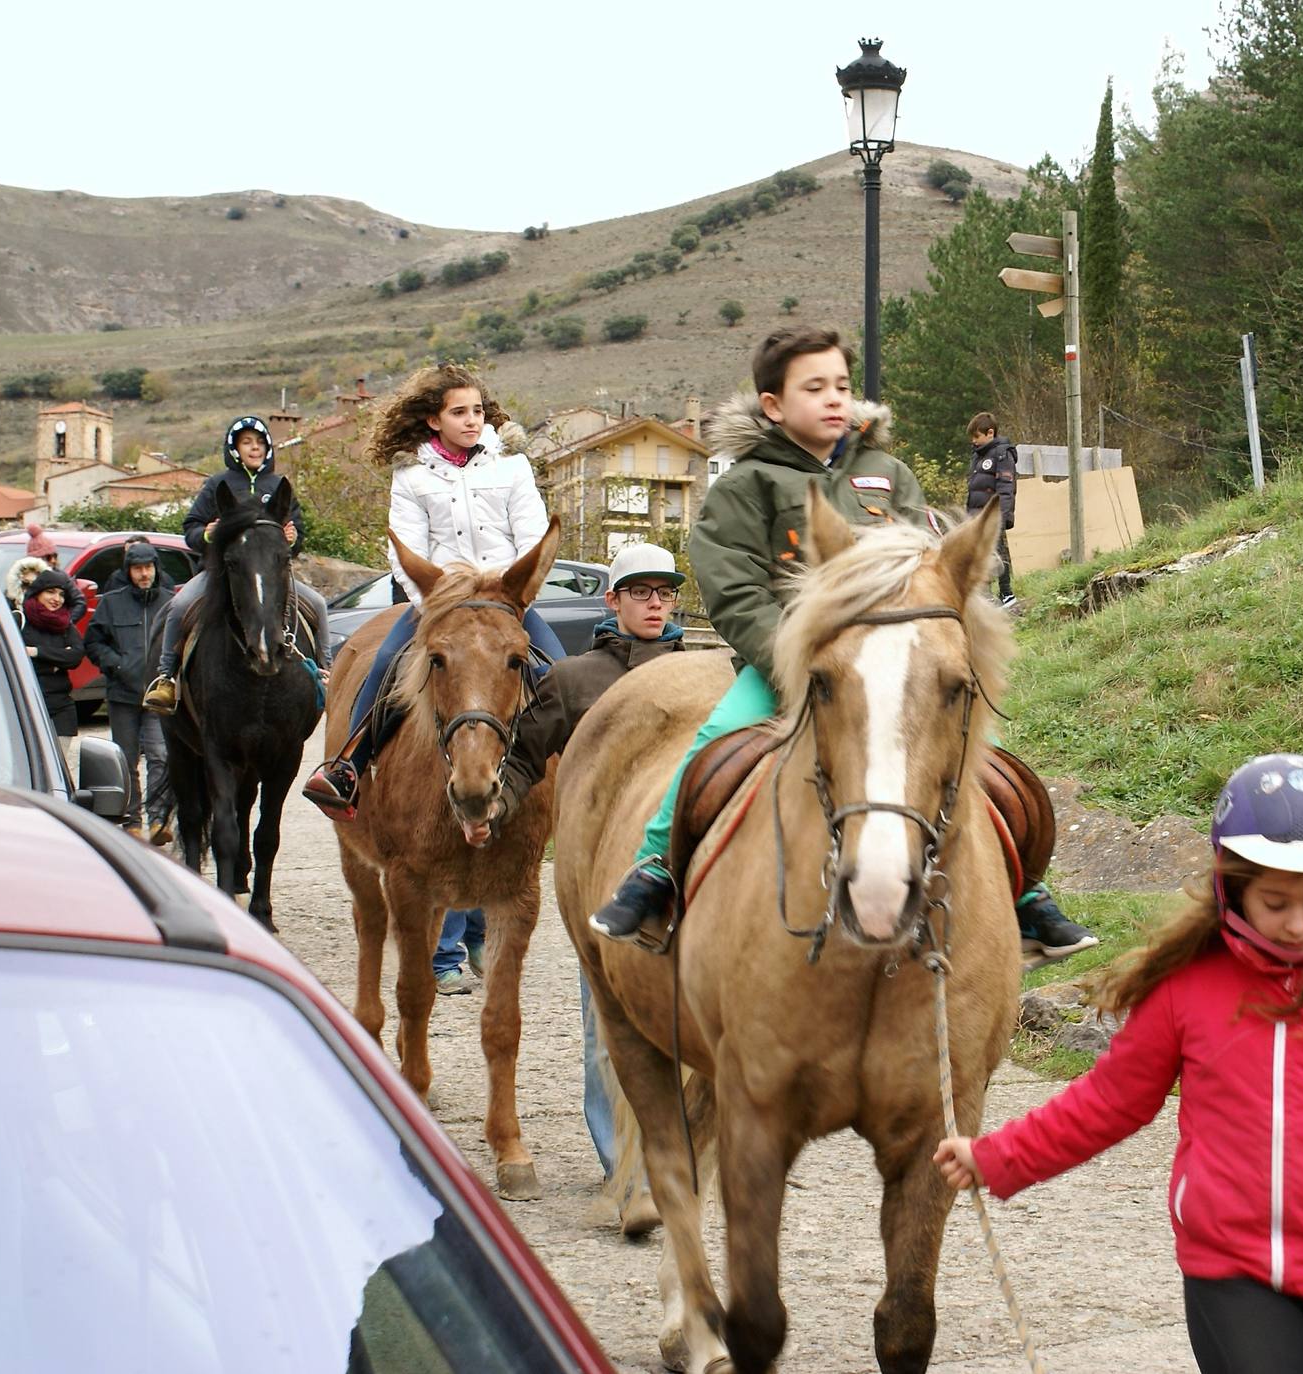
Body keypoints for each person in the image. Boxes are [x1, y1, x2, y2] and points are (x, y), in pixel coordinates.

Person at [934, 755, 1303, 1374]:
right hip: (1229, 1271)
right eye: (1275, 902)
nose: (1299, 925)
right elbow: (1108, 1102)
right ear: (1233, 889)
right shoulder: (1186, 991)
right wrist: (999, 1158)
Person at [586, 326, 1098, 965]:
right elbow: (734, 588)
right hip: (787, 667)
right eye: (814, 388)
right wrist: (799, 661)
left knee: (974, 754)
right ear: (773, 405)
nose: (835, 399)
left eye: (842, 386)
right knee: (711, 746)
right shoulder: (748, 484)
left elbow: (932, 565)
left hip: (895, 667)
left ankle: (1024, 890)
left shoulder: (889, 475)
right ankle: (656, 868)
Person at [459, 541, 686, 1230]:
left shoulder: (704, 675)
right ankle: (625, 1172)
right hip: (604, 871)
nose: (654, 602)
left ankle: (681, 1160)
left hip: (692, 869)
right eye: (639, 590)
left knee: (693, 1021)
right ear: (611, 601)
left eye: (664, 591)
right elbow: (523, 762)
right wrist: (489, 813)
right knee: (607, 1023)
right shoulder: (574, 678)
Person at [301, 365, 564, 818]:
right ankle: (349, 766)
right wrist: (436, 607)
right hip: (439, 604)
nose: (472, 420)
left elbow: (533, 536)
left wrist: (515, 599)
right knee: (384, 663)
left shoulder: (513, 464)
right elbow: (404, 549)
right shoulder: (412, 476)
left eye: (477, 411)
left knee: (560, 672)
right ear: (433, 420)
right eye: (459, 412)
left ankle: (582, 770)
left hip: (504, 603)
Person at [142, 417, 331, 715]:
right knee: (179, 606)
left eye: (260, 442)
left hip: (272, 575)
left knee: (318, 604)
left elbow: (298, 536)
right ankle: (166, 678)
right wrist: (208, 533)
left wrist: (292, 539)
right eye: (247, 442)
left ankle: (325, 673)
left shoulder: (278, 485)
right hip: (222, 574)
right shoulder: (218, 484)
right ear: (235, 448)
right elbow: (191, 529)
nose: (254, 448)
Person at [83, 540, 174, 842]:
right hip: (122, 695)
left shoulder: (169, 603)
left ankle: (159, 819)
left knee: (161, 756)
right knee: (126, 760)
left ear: (155, 568)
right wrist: (116, 665)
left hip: (157, 695)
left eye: (148, 567)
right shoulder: (111, 602)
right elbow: (94, 642)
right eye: (138, 568)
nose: (144, 573)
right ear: (129, 571)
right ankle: (132, 821)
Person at [21, 567, 87, 773]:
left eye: (61, 594)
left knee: (56, 770)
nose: (56, 598)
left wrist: (36, 653)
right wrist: (58, 658)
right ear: (37, 592)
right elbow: (14, 656)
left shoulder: (65, 626)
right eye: (51, 592)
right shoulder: (19, 621)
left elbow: (76, 656)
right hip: (27, 706)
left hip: (61, 708)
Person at [966, 411, 1019, 606]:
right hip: (975, 516)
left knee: (998, 552)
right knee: (978, 554)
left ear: (990, 433)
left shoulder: (1002, 454)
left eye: (976, 436)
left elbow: (1006, 488)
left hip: (993, 515)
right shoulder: (977, 457)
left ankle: (1007, 594)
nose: (973, 441)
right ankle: (983, 595)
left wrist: (1002, 516)